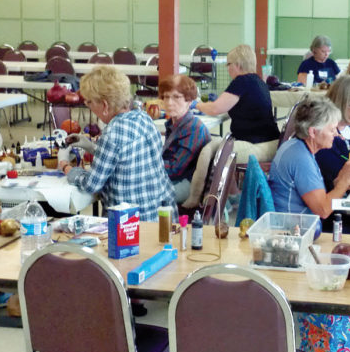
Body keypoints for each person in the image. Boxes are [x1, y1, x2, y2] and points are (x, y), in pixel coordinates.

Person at [58, 65, 174, 221]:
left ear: (105, 105)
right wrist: (88, 145)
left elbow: (91, 184)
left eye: (90, 103)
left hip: (130, 223)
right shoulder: (144, 118)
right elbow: (123, 156)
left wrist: (66, 167)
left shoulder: (113, 134)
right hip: (160, 216)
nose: (89, 107)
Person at [183, 44, 280, 208]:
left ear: (238, 65)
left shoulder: (241, 81)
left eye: (228, 64)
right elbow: (236, 106)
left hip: (257, 145)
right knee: (219, 146)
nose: (228, 69)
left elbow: (215, 109)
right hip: (270, 142)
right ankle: (233, 195)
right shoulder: (258, 81)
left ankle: (206, 202)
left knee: (213, 153)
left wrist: (194, 104)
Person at [268, 96, 350, 218]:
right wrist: (345, 181)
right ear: (312, 132)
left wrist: (339, 181)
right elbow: (323, 211)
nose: (337, 135)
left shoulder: (295, 146)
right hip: (296, 228)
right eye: (332, 130)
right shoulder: (301, 159)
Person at [158, 74, 211, 203]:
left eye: (176, 97)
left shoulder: (193, 128)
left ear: (190, 101)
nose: (169, 103)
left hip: (185, 184)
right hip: (175, 179)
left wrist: (146, 165)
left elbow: (174, 169)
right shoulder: (175, 124)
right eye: (166, 97)